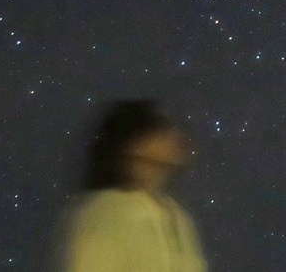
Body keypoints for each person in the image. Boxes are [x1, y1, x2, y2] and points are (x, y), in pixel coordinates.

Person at [61, 100, 207, 272]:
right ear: (134, 144)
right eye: (158, 131)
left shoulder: (179, 217)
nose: (174, 137)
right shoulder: (108, 212)